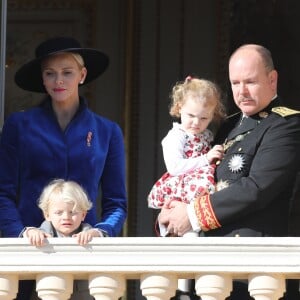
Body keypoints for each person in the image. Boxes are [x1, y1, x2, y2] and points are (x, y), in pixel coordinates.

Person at [158, 44, 300, 300]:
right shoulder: (227, 127)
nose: (242, 91)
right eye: (235, 83)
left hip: (254, 273)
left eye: (250, 82)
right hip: (208, 271)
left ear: (272, 79)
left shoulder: (285, 125)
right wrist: (173, 212)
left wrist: (191, 214)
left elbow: (257, 189)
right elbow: (196, 178)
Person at [0, 36, 127, 300]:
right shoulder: (18, 126)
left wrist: (101, 231)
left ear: (82, 75)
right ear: (42, 79)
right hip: (29, 254)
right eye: (50, 73)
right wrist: (21, 233)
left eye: (67, 73)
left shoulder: (107, 131)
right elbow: (3, 193)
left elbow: (117, 203)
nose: (59, 81)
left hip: (86, 255)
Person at [147, 76, 225, 299]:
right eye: (190, 115)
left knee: (195, 237)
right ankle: (181, 291)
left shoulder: (206, 136)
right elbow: (175, 167)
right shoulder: (175, 136)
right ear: (179, 108)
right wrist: (206, 159)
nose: (196, 123)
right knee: (179, 238)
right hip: (181, 189)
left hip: (198, 192)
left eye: (204, 117)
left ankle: (190, 287)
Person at [22, 179, 98, 299]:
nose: (66, 217)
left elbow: (99, 236)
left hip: (80, 295)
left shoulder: (86, 231)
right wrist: (31, 231)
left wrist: (94, 234)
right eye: (59, 212)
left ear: (83, 215)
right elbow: (29, 235)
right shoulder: (46, 230)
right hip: (49, 291)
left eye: (72, 212)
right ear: (47, 215)